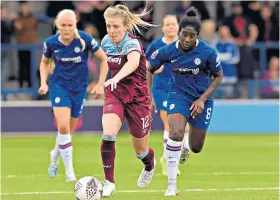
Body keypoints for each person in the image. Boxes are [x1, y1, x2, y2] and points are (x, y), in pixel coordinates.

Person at [147, 7, 223, 196]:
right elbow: (148, 67)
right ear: (180, 33)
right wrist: (149, 95)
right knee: (175, 132)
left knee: (197, 147)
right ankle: (171, 185)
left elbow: (218, 75)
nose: (187, 39)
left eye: (192, 36)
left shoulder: (207, 52)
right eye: (184, 35)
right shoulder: (168, 50)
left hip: (201, 98)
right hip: (178, 94)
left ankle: (187, 147)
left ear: (198, 35)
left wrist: (203, 99)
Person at [38, 9, 108, 182]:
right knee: (62, 126)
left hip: (79, 89)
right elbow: (44, 62)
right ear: (57, 25)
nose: (67, 29)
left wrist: (100, 84)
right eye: (63, 25)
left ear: (75, 24)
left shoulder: (85, 39)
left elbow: (104, 59)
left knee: (68, 130)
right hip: (59, 86)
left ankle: (55, 154)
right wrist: (43, 82)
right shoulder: (51, 43)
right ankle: (70, 172)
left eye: (70, 25)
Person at [98, 4, 156, 197]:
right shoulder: (106, 42)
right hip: (115, 94)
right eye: (108, 26)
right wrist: (101, 83)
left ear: (125, 27)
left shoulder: (132, 43)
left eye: (116, 27)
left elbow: (132, 62)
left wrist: (117, 77)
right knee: (108, 134)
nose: (111, 31)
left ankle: (149, 164)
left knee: (140, 151)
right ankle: (109, 182)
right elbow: (103, 63)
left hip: (138, 99)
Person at [145, 15, 191, 176]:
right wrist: (154, 69)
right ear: (163, 28)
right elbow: (145, 66)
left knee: (183, 129)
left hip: (181, 89)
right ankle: (170, 163)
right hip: (162, 89)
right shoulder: (156, 46)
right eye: (167, 24)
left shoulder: (184, 45)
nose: (171, 27)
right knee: (170, 125)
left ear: (178, 27)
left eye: (173, 24)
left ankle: (168, 158)